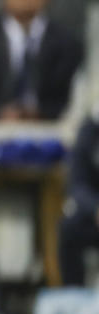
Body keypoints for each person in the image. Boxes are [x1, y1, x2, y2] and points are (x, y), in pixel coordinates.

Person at [58, 108, 99, 286]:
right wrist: (95, 208)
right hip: (95, 215)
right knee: (69, 229)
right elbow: (77, 184)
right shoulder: (90, 131)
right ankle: (74, 298)